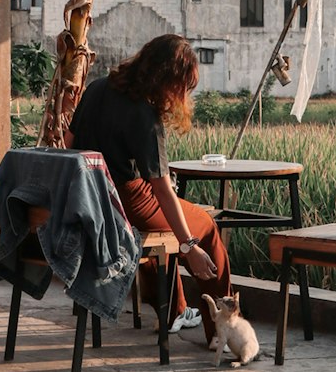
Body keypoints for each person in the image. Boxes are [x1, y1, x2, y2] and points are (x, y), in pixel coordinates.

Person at [64, 34, 231, 347]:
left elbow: (69, 145)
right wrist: (189, 246)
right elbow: (162, 191)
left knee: (165, 230)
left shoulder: (98, 87)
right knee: (205, 226)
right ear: (168, 79)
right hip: (128, 200)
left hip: (89, 199)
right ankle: (223, 332)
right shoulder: (144, 113)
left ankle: (176, 312)